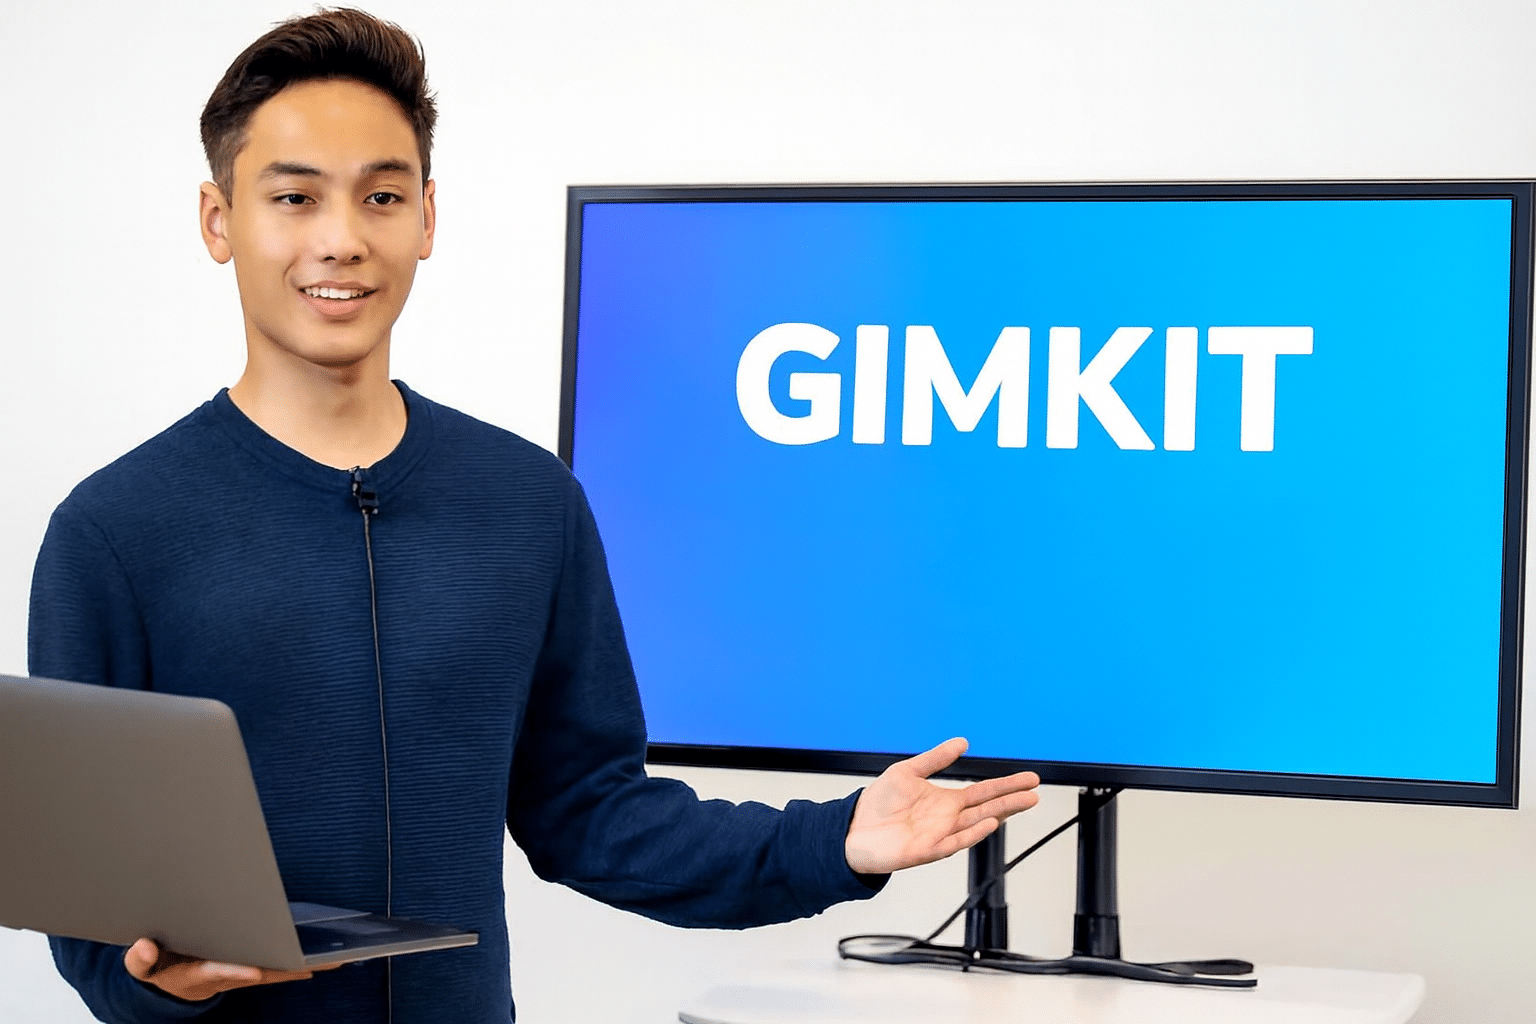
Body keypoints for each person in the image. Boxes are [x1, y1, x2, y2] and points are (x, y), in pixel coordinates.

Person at [26, 9, 1041, 1023]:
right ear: (218, 220)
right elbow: (91, 906)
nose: (342, 239)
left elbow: (591, 814)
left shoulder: (529, 501)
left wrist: (840, 838)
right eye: (294, 197)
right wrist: (147, 979)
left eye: (382, 196)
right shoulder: (112, 532)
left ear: (427, 217)